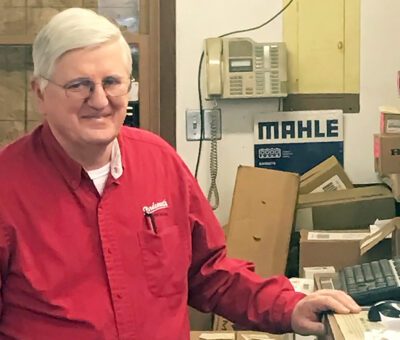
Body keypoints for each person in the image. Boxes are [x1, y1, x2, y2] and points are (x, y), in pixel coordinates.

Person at [0, 8, 360, 340]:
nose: (99, 99)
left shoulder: (160, 162)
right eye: (79, 85)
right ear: (40, 93)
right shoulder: (8, 186)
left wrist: (290, 306)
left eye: (112, 81)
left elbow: (211, 274)